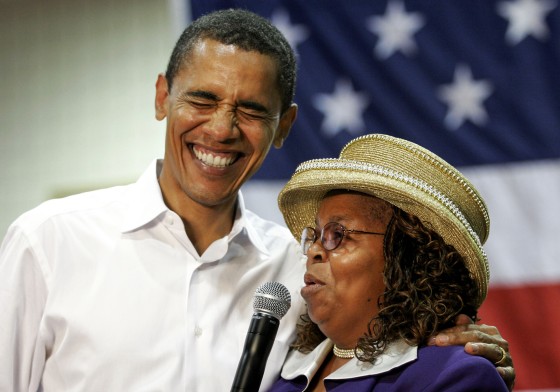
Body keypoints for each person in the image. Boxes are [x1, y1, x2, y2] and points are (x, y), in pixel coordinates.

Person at [0, 9, 514, 392]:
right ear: (162, 97)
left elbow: (391, 336)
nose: (221, 129)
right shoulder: (48, 242)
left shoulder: (299, 273)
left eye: (249, 110)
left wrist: (467, 345)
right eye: (202, 99)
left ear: (284, 127)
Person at [270, 133, 510, 391]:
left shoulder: (456, 375)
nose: (313, 251)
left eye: (337, 234)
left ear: (409, 259)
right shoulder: (284, 369)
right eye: (315, 236)